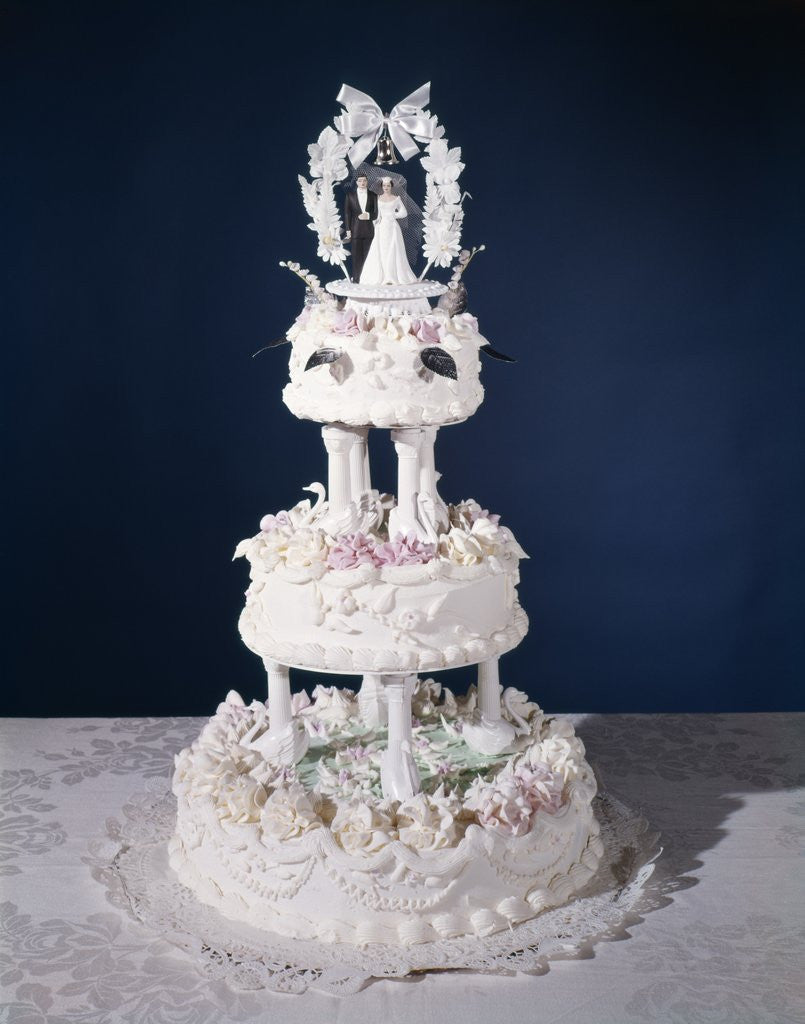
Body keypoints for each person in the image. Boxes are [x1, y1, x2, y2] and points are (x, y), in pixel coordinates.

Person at [359, 177, 417, 285]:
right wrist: (375, 221)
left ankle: (392, 276)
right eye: (384, 185)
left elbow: (403, 213)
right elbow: (376, 214)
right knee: (381, 249)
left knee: (393, 249)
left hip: (392, 228)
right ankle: (381, 276)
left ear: (391, 187)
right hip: (381, 228)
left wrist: (393, 215)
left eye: (388, 186)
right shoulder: (378, 198)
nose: (386, 187)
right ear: (381, 186)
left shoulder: (396, 198)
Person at [343, 175, 377, 283]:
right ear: (356, 182)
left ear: (367, 182)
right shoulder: (350, 195)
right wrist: (348, 229)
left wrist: (368, 216)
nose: (362, 182)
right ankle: (357, 279)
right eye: (360, 181)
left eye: (364, 180)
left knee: (369, 256)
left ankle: (368, 279)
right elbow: (347, 214)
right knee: (356, 257)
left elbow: (376, 213)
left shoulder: (373, 195)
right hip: (355, 230)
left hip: (369, 230)